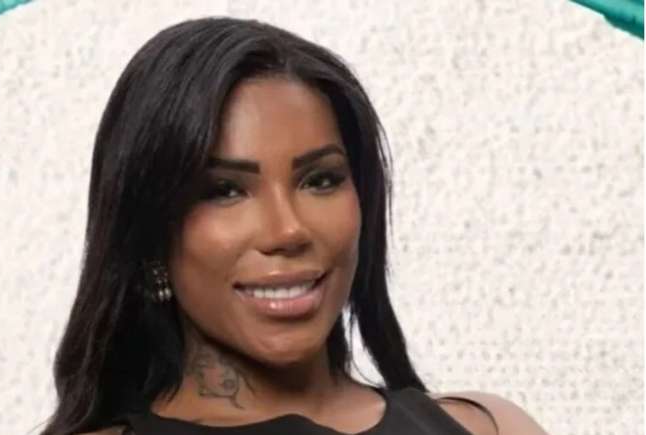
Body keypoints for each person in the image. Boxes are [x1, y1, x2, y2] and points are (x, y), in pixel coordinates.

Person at [39, 17, 549, 435]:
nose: (288, 231)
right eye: (224, 190)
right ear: (150, 235)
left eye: (321, 180)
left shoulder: (489, 428)